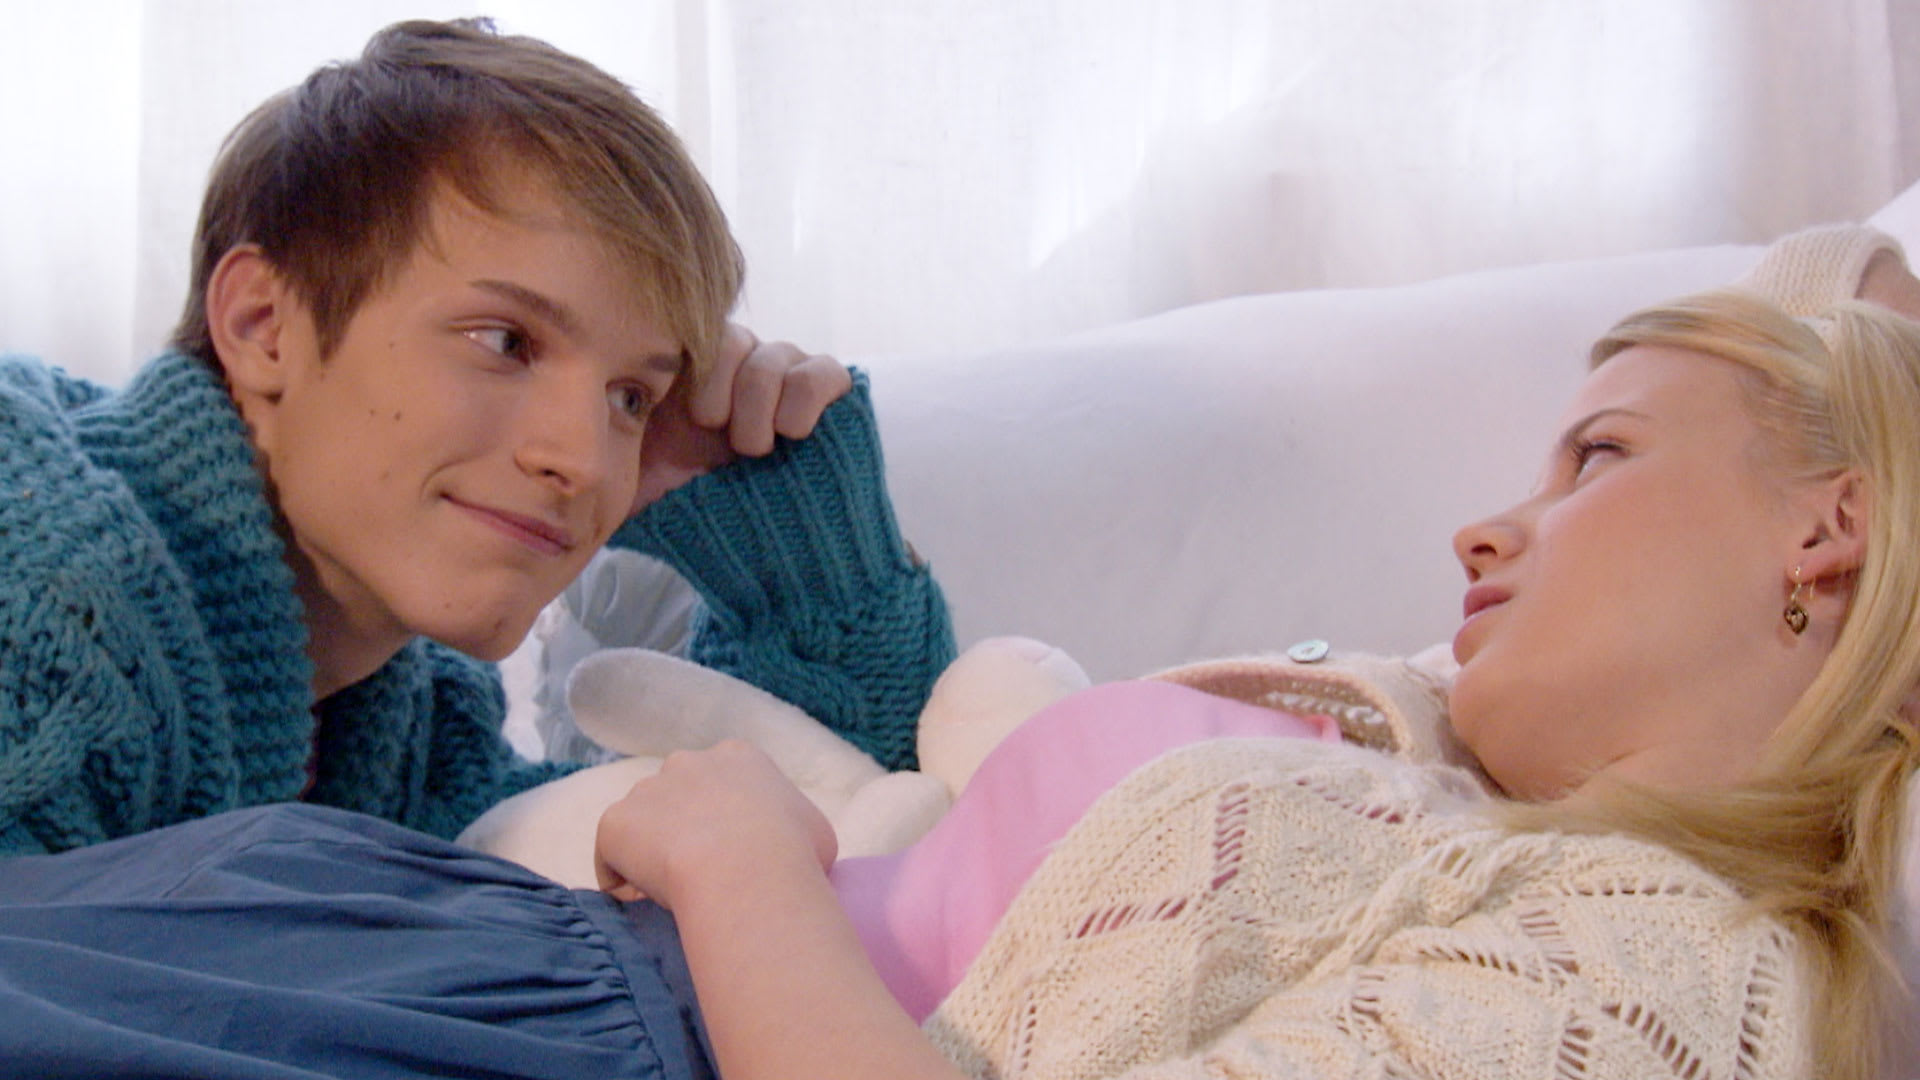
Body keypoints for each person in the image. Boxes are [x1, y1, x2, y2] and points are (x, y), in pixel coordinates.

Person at [1, 228, 1914, 1079]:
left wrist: (739, 871)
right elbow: (922, 819)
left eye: (1594, 460)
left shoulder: (1681, 965)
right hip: (488, 948)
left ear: (1828, 532)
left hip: (591, 1010)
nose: (1484, 530)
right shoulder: (1432, 758)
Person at [0, 18, 955, 856]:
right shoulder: (43, 608)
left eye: (631, 397)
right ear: (263, 325)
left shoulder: (408, 723)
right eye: (505, 342)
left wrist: (808, 560)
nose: (582, 460)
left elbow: (832, 846)